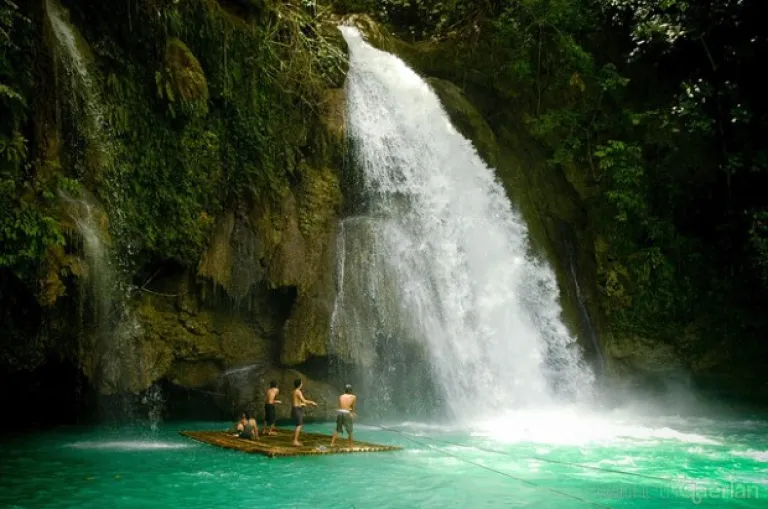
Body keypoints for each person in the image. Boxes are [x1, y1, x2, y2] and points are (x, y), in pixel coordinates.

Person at [291, 378, 317, 446]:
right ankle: (295, 441)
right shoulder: (298, 391)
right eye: (301, 383)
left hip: (295, 408)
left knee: (299, 425)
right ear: (299, 384)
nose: (302, 384)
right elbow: (304, 400)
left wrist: (301, 404)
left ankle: (295, 439)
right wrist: (312, 402)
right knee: (299, 425)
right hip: (297, 409)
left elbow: (295, 401)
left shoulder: (294, 391)